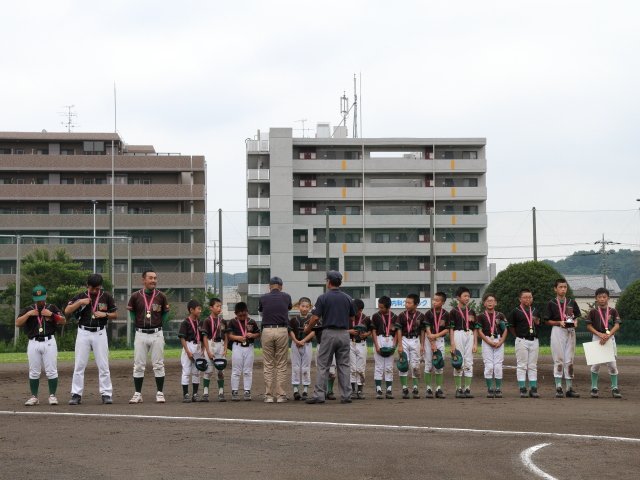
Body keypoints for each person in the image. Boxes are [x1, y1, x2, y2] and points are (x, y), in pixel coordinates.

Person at [303, 271, 356, 404]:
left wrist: (308, 329)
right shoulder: (348, 298)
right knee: (344, 365)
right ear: (340, 283)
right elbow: (352, 317)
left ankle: (319, 395)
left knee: (323, 365)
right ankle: (346, 395)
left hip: (329, 332)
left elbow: (315, 317)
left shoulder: (323, 297)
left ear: (328, 282)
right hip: (344, 333)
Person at [65, 273, 118, 405]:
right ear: (87, 285)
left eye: (98, 288)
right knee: (79, 364)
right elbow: (67, 310)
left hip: (99, 332)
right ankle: (76, 394)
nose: (95, 290)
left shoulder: (106, 296)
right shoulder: (80, 296)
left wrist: (105, 314)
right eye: (93, 288)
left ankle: (106, 393)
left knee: (103, 365)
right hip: (83, 332)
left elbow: (115, 315)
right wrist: (80, 302)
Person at [16, 286, 66, 406]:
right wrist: (28, 314)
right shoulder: (28, 309)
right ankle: (34, 396)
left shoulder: (52, 307)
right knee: (34, 371)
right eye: (38, 299)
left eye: (42, 298)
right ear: (34, 298)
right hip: (33, 342)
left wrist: (52, 315)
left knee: (51, 370)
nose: (40, 301)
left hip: (49, 341)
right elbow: (17, 323)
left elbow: (63, 321)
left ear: (46, 296)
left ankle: (52, 395)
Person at [127, 270, 171, 404]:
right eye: (150, 278)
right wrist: (136, 322)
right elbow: (132, 312)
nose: (153, 280)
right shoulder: (135, 296)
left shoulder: (161, 296)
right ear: (143, 280)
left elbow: (165, 313)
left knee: (158, 364)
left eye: (155, 278)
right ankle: (138, 393)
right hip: (140, 334)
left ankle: (159, 392)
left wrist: (160, 323)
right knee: (139, 365)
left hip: (156, 333)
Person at [544, 278, 581, 398]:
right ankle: (558, 387)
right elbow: (547, 321)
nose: (563, 289)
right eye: (560, 287)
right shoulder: (551, 303)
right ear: (555, 288)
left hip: (570, 331)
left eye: (565, 287)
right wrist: (558, 322)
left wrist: (575, 322)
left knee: (569, 360)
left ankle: (569, 388)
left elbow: (576, 317)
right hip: (558, 331)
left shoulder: (571, 302)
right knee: (558, 359)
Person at [258, 276, 292, 403]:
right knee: (281, 364)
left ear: (270, 286)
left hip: (267, 329)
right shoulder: (286, 296)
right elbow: (287, 309)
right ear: (281, 287)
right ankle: (281, 395)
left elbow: (261, 312)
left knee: (268, 364)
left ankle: (268, 395)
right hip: (282, 329)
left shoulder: (263, 297)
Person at [585, 287, 622, 398]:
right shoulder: (593, 311)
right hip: (597, 338)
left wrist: (608, 335)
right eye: (599, 297)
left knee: (612, 365)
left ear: (608, 298)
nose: (602, 299)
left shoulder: (613, 311)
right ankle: (594, 387)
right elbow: (589, 326)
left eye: (604, 297)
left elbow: (617, 325)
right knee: (596, 364)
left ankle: (614, 388)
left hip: (610, 338)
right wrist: (600, 334)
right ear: (596, 298)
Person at [508, 288, 542, 398]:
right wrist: (518, 336)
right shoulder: (515, 311)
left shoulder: (535, 310)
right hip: (521, 340)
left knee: (532, 365)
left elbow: (538, 323)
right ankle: (522, 388)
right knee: (522, 365)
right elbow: (511, 326)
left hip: (534, 340)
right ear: (520, 299)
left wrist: (537, 323)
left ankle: (533, 388)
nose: (528, 299)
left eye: (530, 297)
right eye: (525, 297)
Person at [475, 293, 508, 398]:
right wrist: (488, 342)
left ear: (496, 303)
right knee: (489, 366)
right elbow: (479, 331)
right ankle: (490, 389)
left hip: (498, 339)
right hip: (487, 340)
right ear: (484, 303)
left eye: (492, 301)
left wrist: (501, 341)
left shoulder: (500, 315)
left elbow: (506, 329)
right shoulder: (481, 316)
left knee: (498, 366)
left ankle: (498, 389)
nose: (490, 303)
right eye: (488, 301)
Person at [226, 302, 260, 401]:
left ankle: (247, 391)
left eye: (244, 315)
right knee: (236, 370)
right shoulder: (232, 322)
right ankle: (235, 391)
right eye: (240, 316)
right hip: (237, 346)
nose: (242, 318)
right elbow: (229, 335)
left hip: (249, 347)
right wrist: (237, 338)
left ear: (247, 312)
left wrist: (252, 335)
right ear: (235, 313)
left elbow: (258, 334)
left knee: (248, 371)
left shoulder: (252, 321)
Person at [448, 286, 478, 398]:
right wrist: (452, 343)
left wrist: (475, 343)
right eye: (465, 296)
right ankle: (458, 389)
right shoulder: (453, 311)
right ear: (458, 297)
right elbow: (451, 328)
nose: (467, 298)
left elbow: (475, 328)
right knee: (458, 361)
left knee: (469, 361)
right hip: (458, 334)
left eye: (468, 296)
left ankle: (468, 389)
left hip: (469, 334)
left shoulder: (472, 311)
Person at [421, 291, 451, 399]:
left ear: (443, 303)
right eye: (433, 300)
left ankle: (438, 389)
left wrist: (436, 336)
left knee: (439, 365)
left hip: (440, 340)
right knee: (428, 365)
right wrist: (432, 342)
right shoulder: (428, 313)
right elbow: (427, 329)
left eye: (437, 300)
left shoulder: (446, 314)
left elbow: (447, 329)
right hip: (429, 341)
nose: (434, 302)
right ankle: (428, 389)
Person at [396, 293, 424, 399]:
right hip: (404, 339)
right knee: (403, 364)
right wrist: (400, 345)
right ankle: (404, 389)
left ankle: (415, 388)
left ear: (416, 304)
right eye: (406, 302)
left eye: (409, 302)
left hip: (415, 340)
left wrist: (422, 345)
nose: (406, 304)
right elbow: (398, 330)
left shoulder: (421, 316)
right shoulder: (402, 315)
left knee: (415, 365)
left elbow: (422, 331)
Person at [200, 297, 228, 402]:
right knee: (209, 369)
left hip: (220, 344)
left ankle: (221, 393)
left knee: (220, 370)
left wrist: (225, 349)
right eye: (217, 306)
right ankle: (205, 393)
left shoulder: (223, 321)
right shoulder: (207, 321)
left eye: (220, 306)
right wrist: (208, 351)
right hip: (210, 343)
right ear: (211, 307)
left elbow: (226, 337)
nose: (219, 308)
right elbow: (204, 337)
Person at [370, 295, 398, 399]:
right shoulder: (376, 316)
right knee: (379, 366)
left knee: (389, 366)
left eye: (382, 307)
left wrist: (394, 346)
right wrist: (377, 345)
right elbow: (373, 330)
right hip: (380, 338)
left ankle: (389, 390)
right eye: (379, 306)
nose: (379, 308)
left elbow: (396, 333)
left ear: (388, 307)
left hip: (390, 339)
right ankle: (378, 389)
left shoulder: (395, 317)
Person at [288, 297, 315, 400]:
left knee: (306, 367)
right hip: (295, 345)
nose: (304, 308)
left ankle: (305, 390)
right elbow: (290, 331)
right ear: (298, 307)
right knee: (295, 366)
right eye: (302, 306)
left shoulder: (312, 319)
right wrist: (296, 341)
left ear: (310, 307)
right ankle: (295, 390)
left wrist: (303, 341)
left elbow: (313, 332)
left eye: (307, 307)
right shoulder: (294, 319)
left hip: (307, 344)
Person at [179, 299, 203, 403]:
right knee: (186, 371)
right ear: (191, 310)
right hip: (189, 346)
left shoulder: (200, 322)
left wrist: (203, 350)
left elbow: (203, 337)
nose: (200, 311)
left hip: (198, 346)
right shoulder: (186, 322)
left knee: (196, 371)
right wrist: (187, 351)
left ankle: (195, 394)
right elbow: (182, 338)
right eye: (198, 309)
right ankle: (185, 394)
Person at [348, 298, 371, 399]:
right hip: (350, 343)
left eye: (355, 309)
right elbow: (343, 328)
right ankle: (352, 390)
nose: (352, 311)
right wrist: (350, 331)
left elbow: (371, 330)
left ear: (360, 310)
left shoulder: (366, 318)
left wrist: (366, 334)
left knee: (361, 367)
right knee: (352, 367)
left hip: (361, 344)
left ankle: (360, 390)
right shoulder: (347, 317)